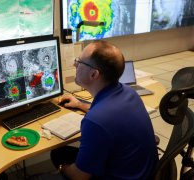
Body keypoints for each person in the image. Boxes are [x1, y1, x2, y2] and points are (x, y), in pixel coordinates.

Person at [37, 40, 158, 180]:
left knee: (58, 159)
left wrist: (62, 167)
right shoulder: (129, 92)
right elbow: (108, 116)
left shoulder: (95, 121)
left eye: (79, 62)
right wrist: (80, 105)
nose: (74, 64)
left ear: (94, 74)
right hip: (143, 172)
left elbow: (79, 177)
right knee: (61, 152)